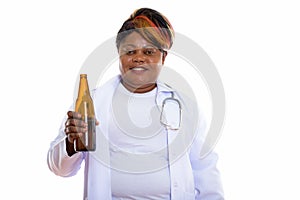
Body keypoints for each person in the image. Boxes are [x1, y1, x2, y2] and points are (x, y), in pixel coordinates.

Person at [47, 8, 224, 200]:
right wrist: (71, 144)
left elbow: (206, 173)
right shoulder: (92, 104)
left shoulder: (187, 108)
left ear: (163, 58)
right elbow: (59, 169)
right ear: (119, 55)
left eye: (149, 51)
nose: (138, 57)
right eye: (130, 51)